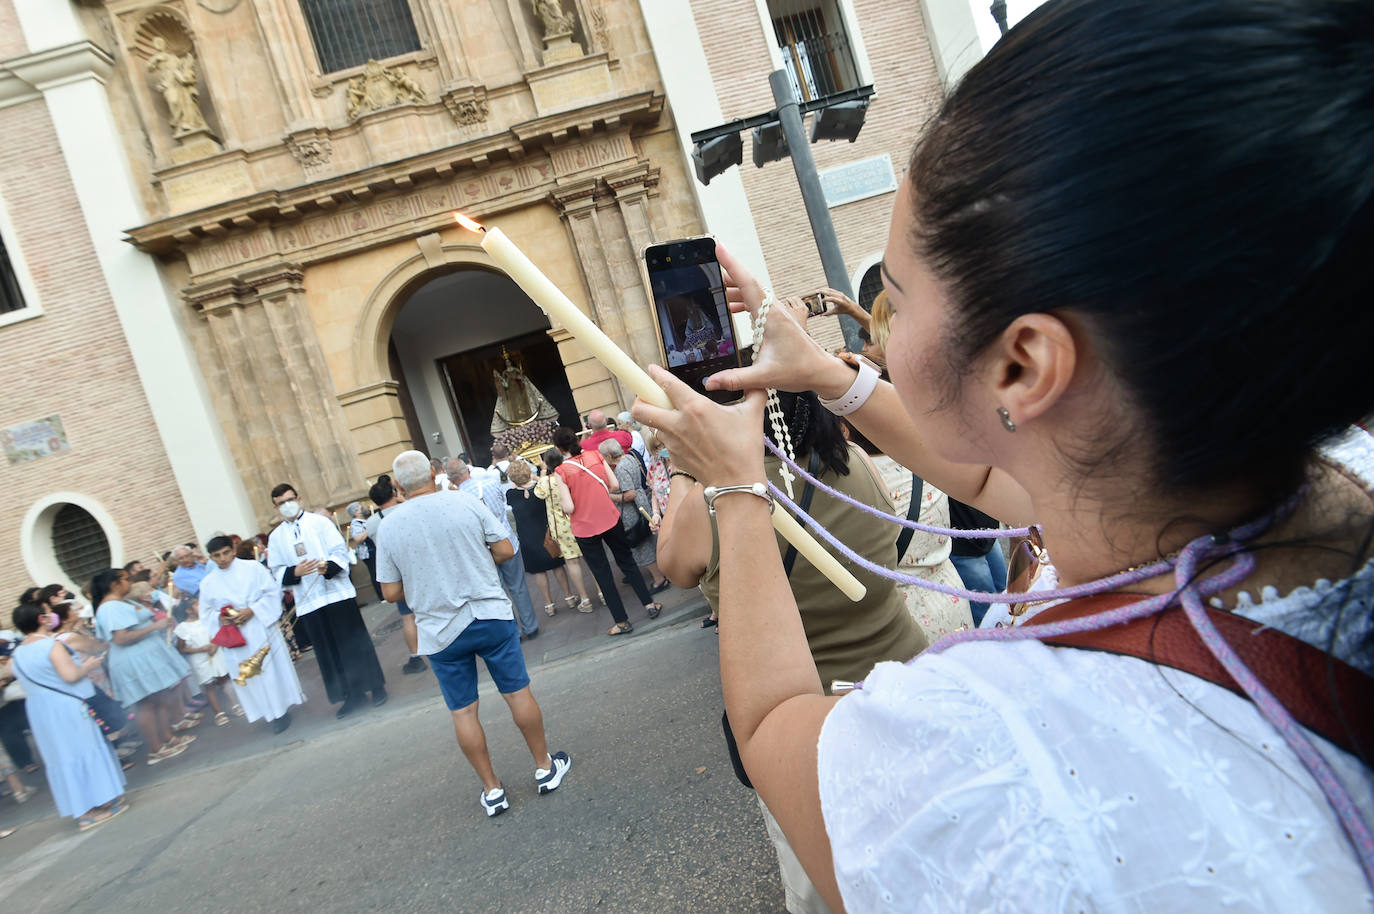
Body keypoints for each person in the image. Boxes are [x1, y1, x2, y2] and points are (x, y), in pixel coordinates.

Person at [633, 1, 1374, 908]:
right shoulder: (1324, 465)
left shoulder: (990, 748)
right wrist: (829, 376)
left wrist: (737, 490)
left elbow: (778, 727)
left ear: (1024, 363)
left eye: (891, 301)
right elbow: (999, 478)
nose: (882, 335)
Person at [375, 450, 572, 818]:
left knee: (464, 712)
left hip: (439, 628)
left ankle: (492, 789)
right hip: (489, 613)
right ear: (434, 473)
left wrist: (423, 582)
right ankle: (545, 766)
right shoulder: (463, 502)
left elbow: (389, 592)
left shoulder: (390, 526)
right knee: (517, 693)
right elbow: (505, 549)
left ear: (398, 486)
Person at [267, 483, 386, 718]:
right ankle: (351, 695)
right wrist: (294, 573)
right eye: (281, 503)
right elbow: (276, 570)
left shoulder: (319, 523)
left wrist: (327, 566)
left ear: (299, 499)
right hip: (309, 602)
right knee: (328, 651)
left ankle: (375, 686)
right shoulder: (276, 537)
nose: (286, 505)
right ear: (276, 507)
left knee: (354, 643)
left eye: (290, 499)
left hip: (336, 594)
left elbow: (339, 551)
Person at [10, 604, 128, 830]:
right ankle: (89, 811)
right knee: (83, 749)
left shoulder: (19, 652)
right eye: (46, 613)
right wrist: (89, 665)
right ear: (41, 619)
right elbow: (71, 675)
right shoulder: (51, 645)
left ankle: (93, 802)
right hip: (65, 706)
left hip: (40, 709)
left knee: (63, 756)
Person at [552, 427, 662, 635]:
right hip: (610, 518)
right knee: (627, 562)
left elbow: (569, 507)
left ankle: (622, 621)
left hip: (585, 528)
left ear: (559, 448)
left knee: (602, 574)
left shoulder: (561, 471)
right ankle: (649, 605)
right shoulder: (595, 455)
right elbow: (613, 484)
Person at [199, 535, 305, 734]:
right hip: (235, 635)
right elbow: (205, 613)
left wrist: (252, 610)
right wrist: (221, 618)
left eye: (225, 553)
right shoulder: (208, 583)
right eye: (216, 556)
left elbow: (272, 593)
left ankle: (281, 711)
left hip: (258, 627)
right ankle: (266, 712)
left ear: (233, 549)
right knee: (250, 674)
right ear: (211, 557)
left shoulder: (252, 568)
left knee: (268, 669)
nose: (222, 558)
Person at [93, 569, 196, 765]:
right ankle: (154, 749)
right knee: (146, 704)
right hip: (132, 661)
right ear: (114, 584)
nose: (130, 582)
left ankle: (167, 737)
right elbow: (120, 638)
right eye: (126, 579)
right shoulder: (109, 608)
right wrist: (154, 627)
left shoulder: (124, 602)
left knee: (160, 698)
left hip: (145, 657)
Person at [447, 457, 541, 640]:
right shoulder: (490, 484)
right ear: (468, 470)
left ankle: (512, 630)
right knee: (518, 586)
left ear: (451, 480)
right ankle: (531, 626)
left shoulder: (456, 499)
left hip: (481, 550)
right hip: (505, 541)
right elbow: (503, 508)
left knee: (497, 592)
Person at [365, 477, 428, 675]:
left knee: (407, 616)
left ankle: (416, 656)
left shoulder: (372, 522)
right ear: (393, 493)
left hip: (394, 570)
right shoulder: (407, 508)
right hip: (418, 563)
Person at [505, 460, 582, 616]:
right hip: (546, 533)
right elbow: (542, 486)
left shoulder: (511, 494)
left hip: (527, 537)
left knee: (539, 572)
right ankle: (569, 596)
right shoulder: (540, 489)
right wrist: (536, 477)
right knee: (557, 567)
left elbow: (514, 494)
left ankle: (549, 604)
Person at [599, 439, 670, 593]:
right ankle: (664, 573)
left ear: (610, 455)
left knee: (642, 546)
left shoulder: (620, 469)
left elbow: (630, 494)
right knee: (651, 540)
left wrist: (611, 497)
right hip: (642, 503)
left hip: (633, 511)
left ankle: (659, 579)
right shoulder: (630, 457)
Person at [534, 450, 595, 612]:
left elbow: (538, 493)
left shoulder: (545, 482)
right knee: (590, 557)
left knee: (572, 561)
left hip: (560, 526)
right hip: (578, 518)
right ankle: (602, 592)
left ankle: (585, 599)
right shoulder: (570, 474)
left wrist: (542, 472)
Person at [172, 598, 232, 726]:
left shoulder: (208, 619)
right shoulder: (183, 627)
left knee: (224, 679)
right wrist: (200, 649)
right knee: (208, 685)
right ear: (188, 611)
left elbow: (218, 632)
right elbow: (181, 648)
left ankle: (235, 703)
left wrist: (214, 645)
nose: (200, 606)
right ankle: (218, 712)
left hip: (215, 651)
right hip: (199, 658)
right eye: (196, 604)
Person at [346, 501, 382, 603]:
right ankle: (381, 595)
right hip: (368, 552)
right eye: (359, 508)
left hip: (375, 548)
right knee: (375, 572)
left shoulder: (367, 519)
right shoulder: (355, 524)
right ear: (355, 513)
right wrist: (369, 528)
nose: (363, 508)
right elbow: (358, 538)